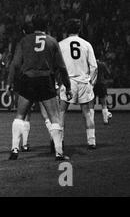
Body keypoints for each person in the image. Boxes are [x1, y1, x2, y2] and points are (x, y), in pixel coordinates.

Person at [7, 15, 72, 161]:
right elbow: (61, 67)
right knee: (54, 117)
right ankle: (59, 153)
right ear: (46, 25)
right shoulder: (52, 41)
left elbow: (15, 64)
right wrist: (67, 86)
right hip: (45, 80)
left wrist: (10, 83)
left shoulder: (24, 41)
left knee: (20, 115)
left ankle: (14, 149)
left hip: (27, 80)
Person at [59, 19, 98, 149]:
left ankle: (59, 141)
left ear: (66, 30)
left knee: (61, 112)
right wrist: (91, 83)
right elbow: (94, 67)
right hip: (83, 82)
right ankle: (91, 142)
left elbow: (57, 66)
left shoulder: (61, 44)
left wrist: (57, 83)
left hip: (68, 82)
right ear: (79, 30)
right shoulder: (86, 44)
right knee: (87, 112)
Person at [90, 58, 112, 125]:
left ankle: (91, 121)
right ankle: (105, 120)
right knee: (103, 103)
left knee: (91, 104)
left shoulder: (90, 65)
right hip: (102, 84)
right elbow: (108, 73)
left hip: (93, 85)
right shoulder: (102, 64)